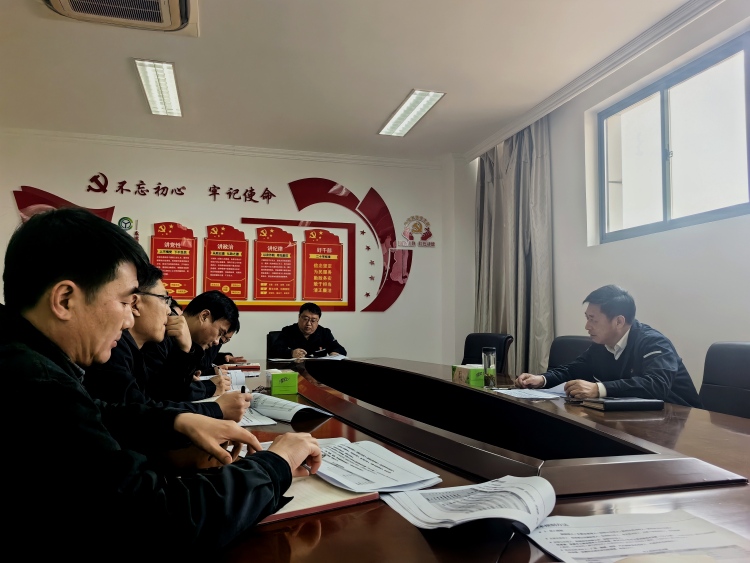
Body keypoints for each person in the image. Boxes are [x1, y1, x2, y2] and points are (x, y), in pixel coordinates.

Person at [0, 208, 321, 560]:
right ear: (65, 300)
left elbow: (102, 412)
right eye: (126, 301)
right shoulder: (36, 386)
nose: (129, 319)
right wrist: (276, 464)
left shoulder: (27, 360)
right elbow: (160, 522)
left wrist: (178, 421)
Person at [83, 263, 251, 422]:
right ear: (135, 304)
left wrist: (186, 351)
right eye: (164, 299)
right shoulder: (115, 348)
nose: (169, 310)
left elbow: (156, 396)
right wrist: (215, 408)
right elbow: (142, 410)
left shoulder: (133, 348)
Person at [515, 285, 703, 408]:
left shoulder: (653, 343)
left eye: (593, 319)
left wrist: (599, 389)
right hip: (636, 420)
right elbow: (574, 369)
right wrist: (542, 379)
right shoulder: (601, 344)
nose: (587, 326)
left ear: (619, 321)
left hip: (681, 422)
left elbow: (656, 385)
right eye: (587, 318)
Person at [142, 290, 240, 401]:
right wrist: (208, 388)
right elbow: (160, 395)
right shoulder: (160, 336)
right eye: (220, 333)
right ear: (204, 316)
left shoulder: (191, 345)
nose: (217, 342)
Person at [270, 302, 347, 359]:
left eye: (313, 320)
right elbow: (275, 351)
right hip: (294, 370)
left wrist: (335, 353)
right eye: (305, 319)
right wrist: (291, 353)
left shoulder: (324, 332)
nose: (308, 324)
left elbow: (341, 349)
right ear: (299, 317)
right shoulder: (288, 331)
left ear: (318, 321)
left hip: (317, 372)